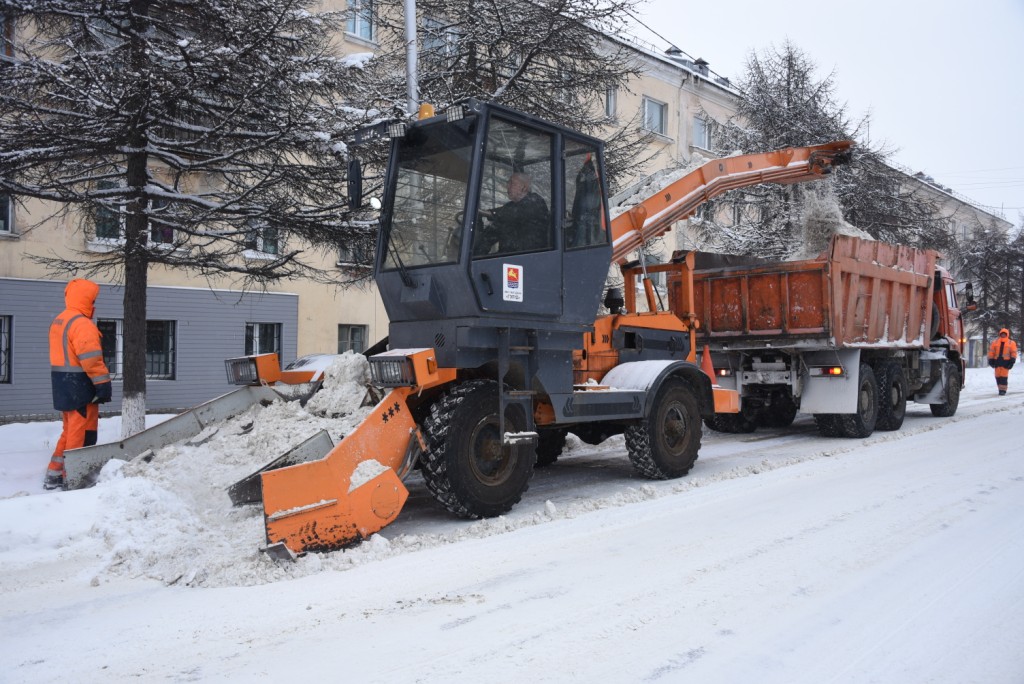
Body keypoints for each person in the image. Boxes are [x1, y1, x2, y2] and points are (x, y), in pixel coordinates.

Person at [45, 278, 113, 489]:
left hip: (64, 385)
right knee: (80, 433)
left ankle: (54, 474)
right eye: (93, 300)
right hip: (80, 387)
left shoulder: (60, 320)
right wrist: (103, 384)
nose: (94, 304)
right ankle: (73, 477)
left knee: (69, 431)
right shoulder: (82, 325)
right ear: (85, 299)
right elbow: (91, 359)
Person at [474, 172, 550, 255]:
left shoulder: (535, 202)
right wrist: (476, 254)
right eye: (508, 183)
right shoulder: (509, 208)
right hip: (507, 257)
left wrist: (490, 213)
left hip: (531, 257)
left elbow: (514, 213)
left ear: (524, 187)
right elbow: (492, 232)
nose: (507, 186)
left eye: (512, 183)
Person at [987, 328, 1018, 396]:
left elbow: (1013, 353)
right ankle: (1000, 389)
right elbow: (991, 352)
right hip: (997, 362)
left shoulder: (1011, 343)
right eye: (1002, 334)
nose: (1003, 335)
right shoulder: (995, 342)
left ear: (1007, 335)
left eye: (1004, 334)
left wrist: (1012, 362)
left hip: (1006, 362)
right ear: (1000, 334)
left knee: (1003, 377)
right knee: (997, 376)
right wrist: (990, 360)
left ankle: (1003, 390)